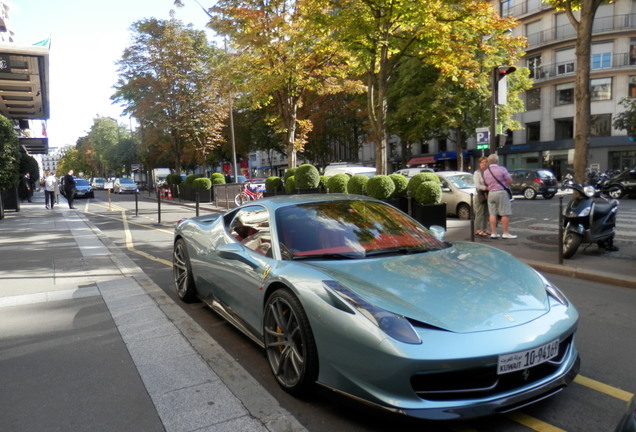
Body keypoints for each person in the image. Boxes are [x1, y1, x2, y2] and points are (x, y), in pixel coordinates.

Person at [483, 153, 517, 239]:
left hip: (491, 193)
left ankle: (493, 233)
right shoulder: (502, 169)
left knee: (492, 214)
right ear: (497, 161)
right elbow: (509, 181)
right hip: (501, 192)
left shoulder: (486, 172)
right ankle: (505, 233)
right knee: (504, 213)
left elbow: (486, 183)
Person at [473, 156, 490, 237]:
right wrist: (486, 188)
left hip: (487, 194)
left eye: (486, 162)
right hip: (479, 194)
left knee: (486, 213)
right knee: (480, 212)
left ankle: (484, 229)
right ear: (479, 164)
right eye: (482, 162)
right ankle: (478, 229)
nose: (484, 164)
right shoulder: (477, 173)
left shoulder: (488, 171)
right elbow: (477, 185)